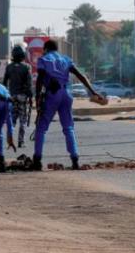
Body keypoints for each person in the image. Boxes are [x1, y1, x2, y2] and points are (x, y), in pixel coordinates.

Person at [32, 40, 101, 171]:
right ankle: (75, 159)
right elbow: (81, 76)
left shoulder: (44, 59)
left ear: (46, 49)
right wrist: (92, 91)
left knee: (41, 127)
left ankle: (37, 160)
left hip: (52, 94)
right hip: (66, 94)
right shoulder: (66, 59)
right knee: (68, 127)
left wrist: (37, 98)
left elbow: (40, 79)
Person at [3, 45, 33, 148]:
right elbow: (29, 84)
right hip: (22, 97)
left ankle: (10, 140)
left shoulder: (9, 67)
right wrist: (30, 97)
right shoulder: (27, 67)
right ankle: (21, 142)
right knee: (23, 120)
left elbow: (4, 83)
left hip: (12, 97)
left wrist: (5, 95)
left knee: (12, 120)